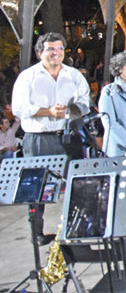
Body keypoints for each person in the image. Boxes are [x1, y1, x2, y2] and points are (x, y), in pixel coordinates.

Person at [12, 32, 90, 244]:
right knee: (37, 187)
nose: (56, 53)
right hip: (38, 139)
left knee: (77, 184)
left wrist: (70, 109)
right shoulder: (28, 77)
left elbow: (85, 102)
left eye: (60, 49)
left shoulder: (73, 75)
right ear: (39, 53)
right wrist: (48, 112)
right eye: (50, 49)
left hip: (69, 136)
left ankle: (78, 227)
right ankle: (37, 233)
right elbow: (19, 108)